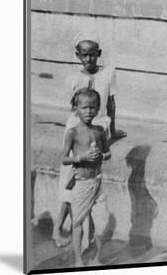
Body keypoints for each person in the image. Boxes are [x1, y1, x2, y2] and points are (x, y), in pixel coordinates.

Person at [53, 33, 124, 247]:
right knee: (70, 180)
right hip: (78, 128)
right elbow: (73, 107)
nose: (89, 59)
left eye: (92, 55)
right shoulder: (73, 79)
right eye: (84, 55)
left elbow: (110, 104)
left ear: (98, 54)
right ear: (78, 56)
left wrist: (111, 131)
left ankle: (88, 237)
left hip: (99, 126)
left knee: (91, 180)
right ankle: (58, 229)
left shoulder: (108, 74)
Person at [62, 88, 111, 267]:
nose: (89, 111)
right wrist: (81, 158)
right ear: (76, 108)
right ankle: (78, 261)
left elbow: (107, 152)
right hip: (82, 183)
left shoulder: (99, 131)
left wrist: (103, 155)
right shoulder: (73, 132)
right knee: (78, 222)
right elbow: (63, 158)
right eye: (84, 107)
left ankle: (97, 258)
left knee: (103, 223)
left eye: (93, 107)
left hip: (97, 181)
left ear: (98, 109)